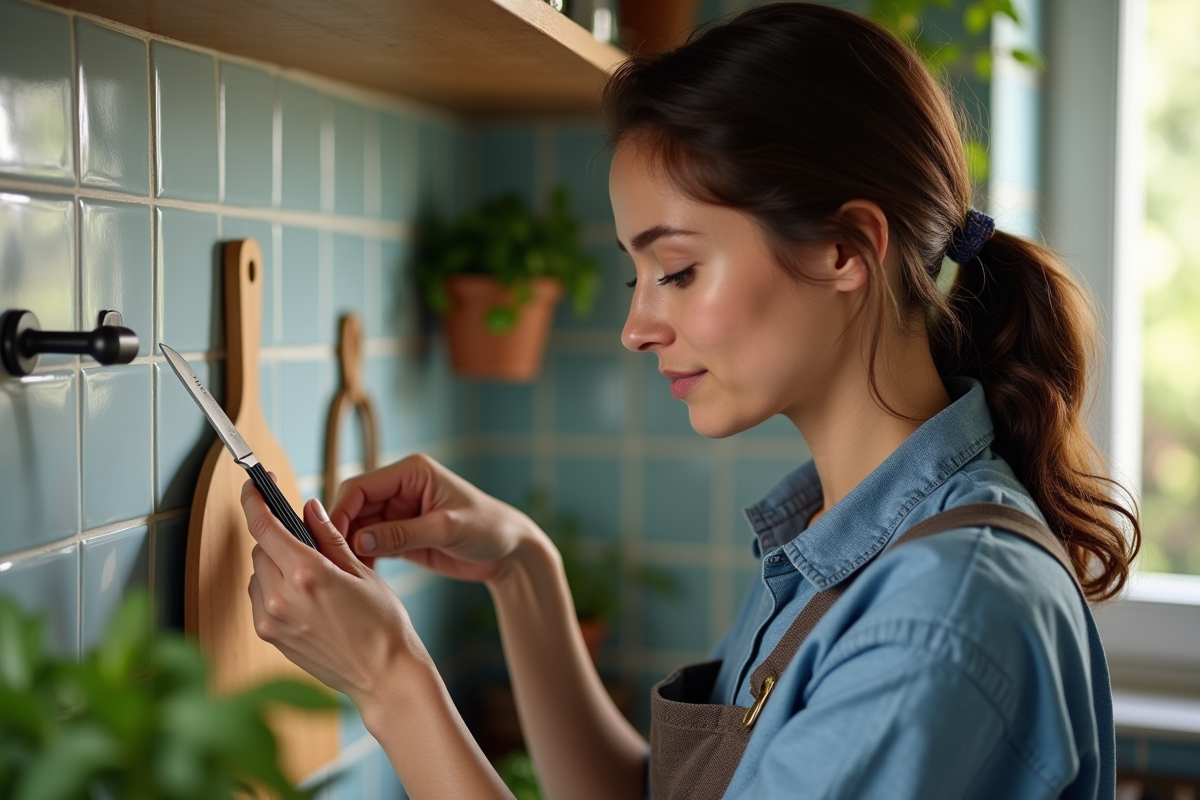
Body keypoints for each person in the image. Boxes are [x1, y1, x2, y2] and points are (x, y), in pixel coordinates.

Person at [238, 4, 1141, 798]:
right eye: (638, 274)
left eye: (676, 270)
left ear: (846, 249)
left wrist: (391, 680)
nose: (637, 328)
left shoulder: (940, 619)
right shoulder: (844, 543)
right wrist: (524, 570)